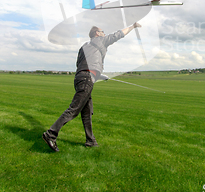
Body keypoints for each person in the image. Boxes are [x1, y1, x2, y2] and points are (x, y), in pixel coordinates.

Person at [42, 22, 142, 152]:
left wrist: (99, 75)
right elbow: (119, 34)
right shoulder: (101, 41)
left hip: (81, 78)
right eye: (102, 31)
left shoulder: (84, 47)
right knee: (74, 109)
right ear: (97, 33)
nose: (104, 33)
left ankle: (90, 141)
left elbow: (80, 65)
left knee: (87, 112)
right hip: (87, 79)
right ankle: (51, 134)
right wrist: (132, 26)